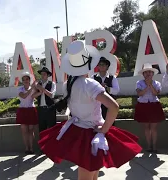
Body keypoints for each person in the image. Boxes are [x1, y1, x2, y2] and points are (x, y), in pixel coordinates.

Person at [38, 40, 142, 180]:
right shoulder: (90, 84)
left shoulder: (68, 84)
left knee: (91, 172)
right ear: (88, 63)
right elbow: (114, 107)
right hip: (91, 133)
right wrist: (104, 129)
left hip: (78, 130)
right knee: (90, 174)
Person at [134, 63, 165, 153]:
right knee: (146, 127)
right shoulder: (139, 83)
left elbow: (156, 93)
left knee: (154, 128)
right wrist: (147, 85)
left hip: (154, 105)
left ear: (152, 73)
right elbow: (140, 93)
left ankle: (154, 146)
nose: (148, 74)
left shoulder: (157, 83)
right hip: (143, 105)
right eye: (146, 72)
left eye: (150, 72)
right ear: (143, 74)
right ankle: (149, 146)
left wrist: (150, 85)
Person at [16, 72, 39, 154]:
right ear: (22, 81)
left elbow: (37, 94)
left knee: (31, 130)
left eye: (27, 79)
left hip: (31, 110)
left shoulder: (33, 88)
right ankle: (27, 148)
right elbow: (24, 96)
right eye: (24, 79)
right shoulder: (20, 89)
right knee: (24, 130)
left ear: (29, 80)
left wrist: (41, 88)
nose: (26, 81)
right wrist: (31, 88)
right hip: (22, 110)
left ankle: (31, 148)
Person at [33, 67, 57, 133]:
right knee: (42, 130)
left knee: (52, 129)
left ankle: (52, 143)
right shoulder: (38, 85)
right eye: (42, 74)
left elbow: (52, 95)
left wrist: (42, 89)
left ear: (48, 75)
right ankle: (43, 143)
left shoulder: (52, 84)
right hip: (41, 110)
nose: (42, 76)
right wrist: (38, 91)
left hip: (50, 109)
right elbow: (33, 96)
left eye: (44, 74)